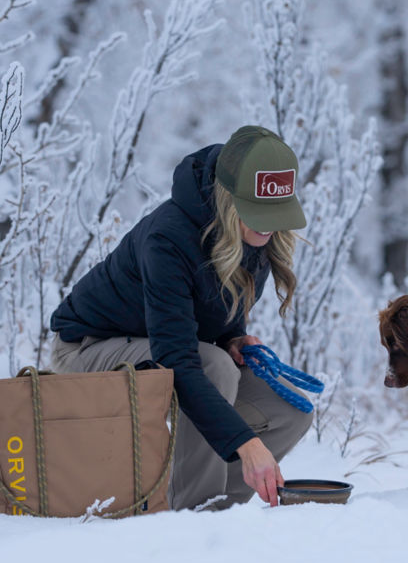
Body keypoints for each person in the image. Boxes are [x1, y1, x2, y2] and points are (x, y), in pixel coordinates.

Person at [49, 125, 312, 510]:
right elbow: (178, 359)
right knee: (215, 368)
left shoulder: (257, 236)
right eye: (256, 210)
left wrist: (232, 338)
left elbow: (210, 316)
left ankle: (220, 508)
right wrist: (245, 442)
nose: (268, 224)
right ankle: (191, 515)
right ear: (226, 196)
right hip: (86, 352)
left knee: (290, 412)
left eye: (275, 211)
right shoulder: (168, 238)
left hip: (157, 350)